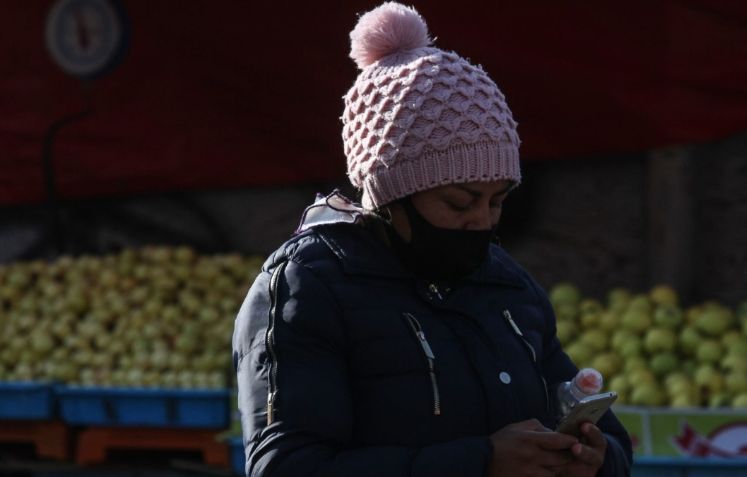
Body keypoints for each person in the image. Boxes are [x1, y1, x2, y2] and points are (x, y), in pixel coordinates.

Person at [232, 2, 633, 476]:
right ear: (392, 195)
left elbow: (610, 438)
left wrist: (598, 457)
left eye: (498, 201)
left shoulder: (506, 287)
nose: (482, 222)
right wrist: (480, 463)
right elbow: (285, 467)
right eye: (460, 203)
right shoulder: (308, 290)